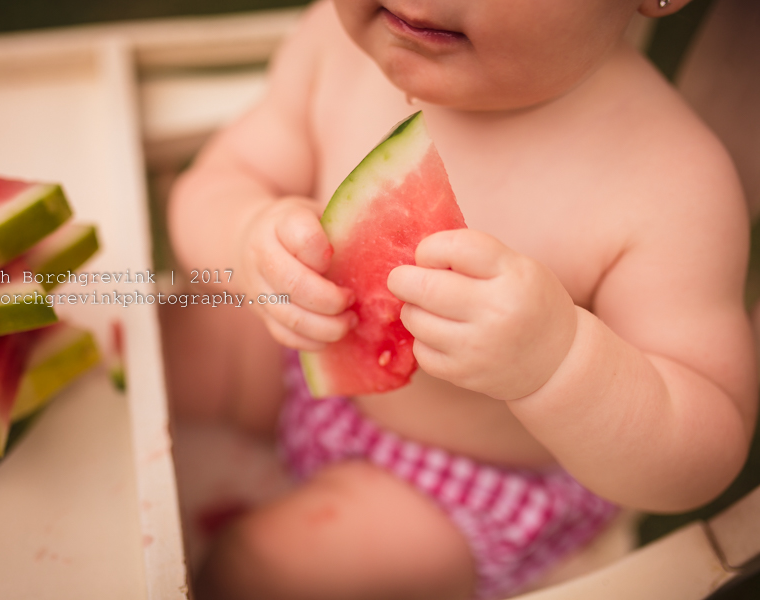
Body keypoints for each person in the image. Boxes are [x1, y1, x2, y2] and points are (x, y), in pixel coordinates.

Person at [167, 0, 758, 598]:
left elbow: (707, 448)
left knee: (269, 572)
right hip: (307, 357)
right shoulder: (334, 40)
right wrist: (246, 236)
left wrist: (558, 363)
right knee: (162, 338)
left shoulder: (670, 183)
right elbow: (221, 179)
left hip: (460, 493)